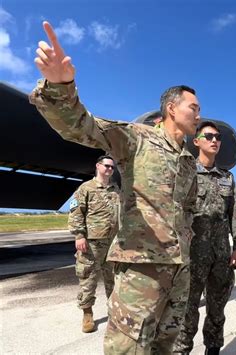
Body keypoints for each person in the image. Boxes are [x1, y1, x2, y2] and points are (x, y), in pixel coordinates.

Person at [30, 22, 200, 354]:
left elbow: (189, 207)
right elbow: (81, 127)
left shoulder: (187, 160)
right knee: (128, 349)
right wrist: (60, 85)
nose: (198, 115)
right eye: (193, 108)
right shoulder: (137, 137)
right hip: (140, 269)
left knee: (171, 347)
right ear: (171, 108)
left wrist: (187, 242)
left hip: (179, 270)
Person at [174, 121, 236, 355]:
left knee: (217, 308)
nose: (214, 140)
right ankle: (183, 349)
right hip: (193, 255)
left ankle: (213, 349)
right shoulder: (187, 173)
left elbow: (233, 213)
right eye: (208, 136)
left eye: (217, 137)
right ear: (197, 141)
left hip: (221, 255)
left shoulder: (227, 177)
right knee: (188, 309)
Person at [69, 155, 120, 333]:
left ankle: (114, 311)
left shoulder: (115, 189)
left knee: (113, 279)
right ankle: (87, 313)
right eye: (107, 166)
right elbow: (76, 212)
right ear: (98, 166)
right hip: (92, 243)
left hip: (113, 242)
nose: (109, 170)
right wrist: (79, 235)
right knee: (88, 279)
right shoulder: (86, 188)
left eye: (112, 168)